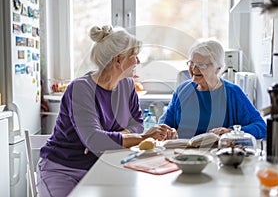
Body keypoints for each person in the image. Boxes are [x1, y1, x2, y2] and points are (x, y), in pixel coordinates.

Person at [37, 25, 176, 197]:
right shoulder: (80, 89)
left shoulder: (127, 85)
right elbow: (98, 141)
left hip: (101, 165)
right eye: (134, 56)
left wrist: (105, 138)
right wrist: (144, 138)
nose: (138, 62)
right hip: (64, 169)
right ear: (118, 60)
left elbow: (137, 124)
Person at [159, 38, 266, 139]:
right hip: (181, 154)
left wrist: (231, 132)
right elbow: (164, 123)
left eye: (201, 65)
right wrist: (167, 131)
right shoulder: (182, 90)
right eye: (191, 63)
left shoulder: (233, 93)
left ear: (217, 68)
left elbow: (261, 127)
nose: (194, 69)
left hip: (216, 155)